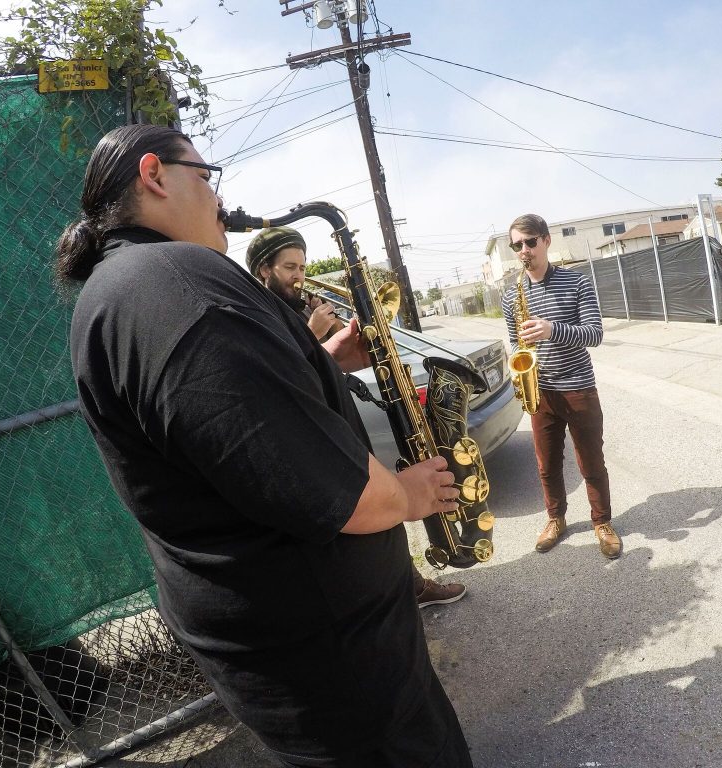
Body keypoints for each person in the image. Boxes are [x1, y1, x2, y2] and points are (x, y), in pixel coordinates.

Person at [57, 124, 473, 767]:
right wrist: (412, 494)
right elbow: (337, 494)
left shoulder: (124, 290)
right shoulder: (180, 283)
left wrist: (323, 361)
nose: (220, 197)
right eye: (205, 173)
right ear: (154, 175)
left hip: (294, 641)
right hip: (332, 650)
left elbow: (229, 431)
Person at [244, 226, 467, 609]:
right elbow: (279, 376)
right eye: (289, 267)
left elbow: (321, 364)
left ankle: (407, 585)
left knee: (380, 506)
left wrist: (344, 344)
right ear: (264, 269)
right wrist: (314, 335)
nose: (299, 276)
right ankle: (397, 593)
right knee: (366, 515)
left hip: (340, 418)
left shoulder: (297, 305)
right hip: (315, 435)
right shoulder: (257, 313)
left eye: (302, 266)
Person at [500, 214, 621, 560]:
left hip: (579, 387)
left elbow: (595, 334)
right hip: (540, 392)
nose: (523, 250)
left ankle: (602, 522)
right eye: (516, 245)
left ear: (546, 240)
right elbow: (515, 343)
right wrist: (520, 377)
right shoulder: (512, 297)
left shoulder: (577, 283)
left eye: (530, 241)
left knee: (591, 461)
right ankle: (556, 519)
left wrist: (553, 329)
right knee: (546, 465)